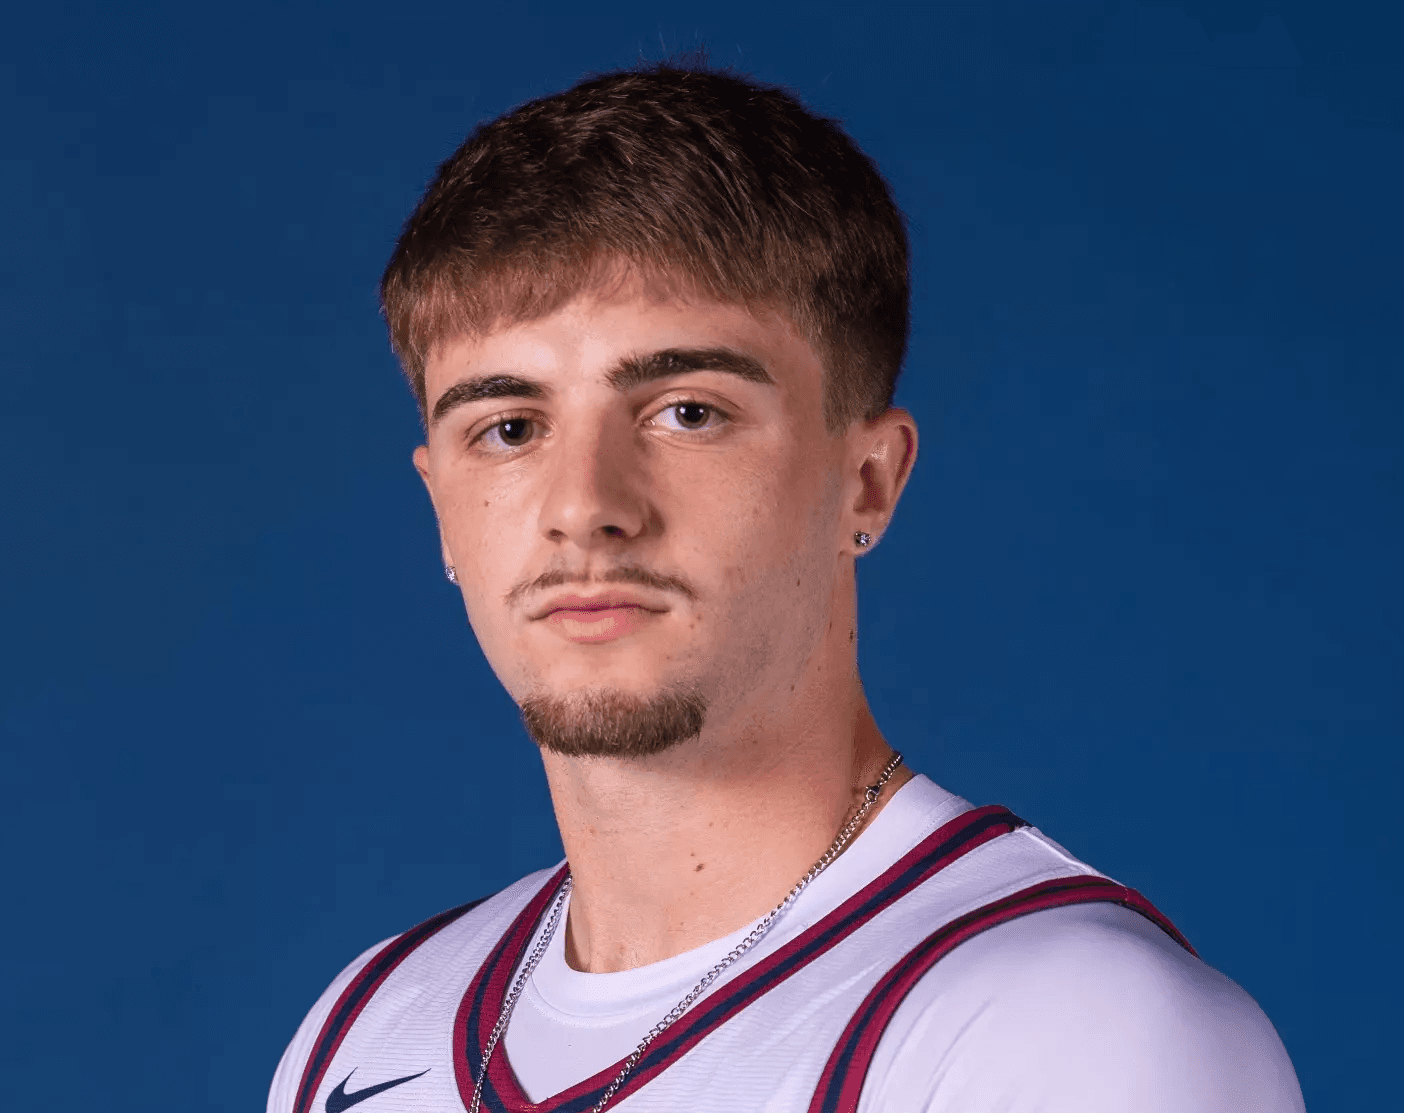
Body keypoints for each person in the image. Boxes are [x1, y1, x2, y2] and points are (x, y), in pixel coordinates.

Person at [268, 63, 1305, 1113]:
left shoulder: (1064, 1025)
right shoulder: (365, 1025)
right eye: (508, 428)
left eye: (688, 412)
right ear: (441, 507)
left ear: (867, 480)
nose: (584, 505)